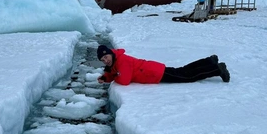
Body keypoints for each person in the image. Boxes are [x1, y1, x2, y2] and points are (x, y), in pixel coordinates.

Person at [97, 45, 230, 84]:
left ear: (111, 54)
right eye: (103, 60)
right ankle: (209, 61)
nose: (106, 60)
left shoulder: (122, 61)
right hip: (153, 70)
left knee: (188, 76)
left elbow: (124, 80)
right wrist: (106, 77)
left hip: (155, 73)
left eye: (106, 57)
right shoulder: (116, 61)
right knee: (183, 70)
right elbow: (114, 71)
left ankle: (217, 69)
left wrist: (114, 77)